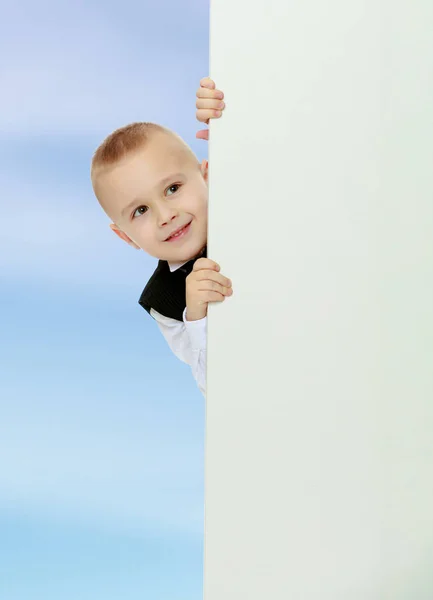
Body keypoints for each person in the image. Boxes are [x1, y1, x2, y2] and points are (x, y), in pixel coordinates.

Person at [90, 77, 231, 397]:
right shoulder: (164, 301)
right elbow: (213, 386)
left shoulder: (238, 203)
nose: (165, 216)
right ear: (126, 238)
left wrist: (228, 114)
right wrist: (197, 316)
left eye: (172, 189)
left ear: (207, 175)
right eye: (140, 211)